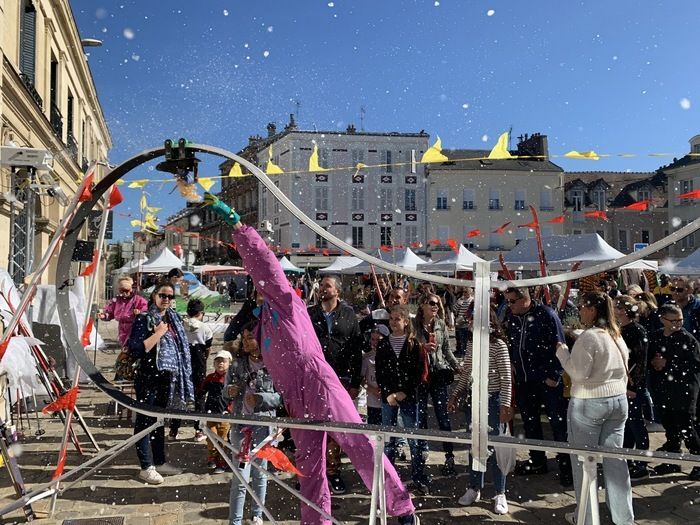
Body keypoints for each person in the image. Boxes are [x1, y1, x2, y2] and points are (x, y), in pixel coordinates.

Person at [203, 193, 418, 525]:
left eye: (261, 287)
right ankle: (317, 522)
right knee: (309, 466)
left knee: (356, 441)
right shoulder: (261, 324)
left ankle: (401, 508)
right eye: (255, 289)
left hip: (317, 380)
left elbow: (265, 264)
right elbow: (244, 347)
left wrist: (239, 228)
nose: (259, 289)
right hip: (294, 396)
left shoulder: (288, 303)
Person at [556, 291, 634, 525]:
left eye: (582, 307)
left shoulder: (590, 337)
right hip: (618, 401)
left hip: (590, 403)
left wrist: (563, 353)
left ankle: (588, 518)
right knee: (615, 462)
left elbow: (578, 373)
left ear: (592, 309)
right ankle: (623, 518)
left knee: (584, 463)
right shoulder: (616, 334)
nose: (579, 310)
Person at [502, 286, 572, 486]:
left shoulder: (546, 315)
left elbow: (561, 345)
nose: (509, 305)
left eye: (512, 301)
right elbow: (513, 343)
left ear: (525, 299)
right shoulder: (513, 317)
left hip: (546, 380)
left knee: (558, 424)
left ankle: (566, 466)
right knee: (530, 422)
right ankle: (537, 460)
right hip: (525, 380)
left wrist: (555, 374)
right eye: (507, 301)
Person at [448, 308, 513, 515]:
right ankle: (474, 486)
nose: (471, 324)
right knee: (474, 446)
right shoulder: (471, 343)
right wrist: (456, 394)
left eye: (475, 321)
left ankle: (500, 492)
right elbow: (467, 370)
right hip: (473, 399)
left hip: (493, 401)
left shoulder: (498, 345)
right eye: (470, 321)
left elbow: (506, 378)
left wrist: (505, 405)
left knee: (495, 447)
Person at [128, 281, 194, 484]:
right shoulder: (145, 319)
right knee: (145, 421)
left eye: (170, 296)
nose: (166, 300)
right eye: (163, 295)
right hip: (148, 377)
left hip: (167, 378)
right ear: (154, 296)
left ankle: (159, 461)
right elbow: (136, 349)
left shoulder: (173, 320)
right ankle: (146, 466)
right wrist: (158, 333)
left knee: (158, 421)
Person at [307, 275, 364, 495]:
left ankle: (333, 472)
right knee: (313, 428)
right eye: (321, 286)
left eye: (327, 286)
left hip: (340, 379)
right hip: (313, 379)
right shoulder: (311, 314)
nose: (322, 289)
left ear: (337, 291)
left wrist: (355, 382)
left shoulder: (349, 315)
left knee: (335, 430)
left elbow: (355, 350)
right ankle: (313, 474)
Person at [223, 322, 281, 525]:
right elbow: (225, 392)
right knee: (240, 477)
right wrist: (229, 391)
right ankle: (235, 521)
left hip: (264, 428)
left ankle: (257, 515)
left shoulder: (273, 364)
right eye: (244, 338)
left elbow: (281, 397)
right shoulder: (237, 364)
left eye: (250, 337)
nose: (246, 342)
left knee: (260, 473)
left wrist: (261, 398)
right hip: (240, 427)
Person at [376, 304, 429, 493]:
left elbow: (418, 373)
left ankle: (418, 476)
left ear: (406, 321)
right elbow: (380, 372)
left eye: (397, 319)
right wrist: (389, 392)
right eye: (391, 318)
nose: (393, 322)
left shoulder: (414, 344)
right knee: (388, 439)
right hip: (388, 397)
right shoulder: (383, 344)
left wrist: (404, 391)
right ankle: (389, 477)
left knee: (414, 439)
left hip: (409, 397)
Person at [648, 303, 700, 479]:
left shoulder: (688, 340)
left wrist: (667, 363)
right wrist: (655, 364)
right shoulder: (655, 337)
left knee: (688, 429)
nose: (678, 324)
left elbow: (694, 365)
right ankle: (673, 460)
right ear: (663, 320)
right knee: (670, 428)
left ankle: (697, 462)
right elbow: (649, 358)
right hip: (664, 389)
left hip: (684, 390)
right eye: (674, 320)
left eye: (680, 320)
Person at [413, 293, 461, 477]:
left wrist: (458, 367)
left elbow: (447, 350)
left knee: (443, 418)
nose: (435, 306)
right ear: (422, 305)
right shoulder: (414, 324)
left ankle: (449, 457)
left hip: (439, 374)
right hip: (421, 376)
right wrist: (421, 347)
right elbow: (408, 347)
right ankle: (422, 455)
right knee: (422, 417)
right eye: (432, 303)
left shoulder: (440, 324)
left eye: (438, 304)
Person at [613, 295, 650, 479]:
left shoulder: (637, 330)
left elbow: (640, 361)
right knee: (626, 424)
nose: (614, 311)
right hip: (621, 384)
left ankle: (641, 464)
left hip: (633, 386)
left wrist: (633, 386)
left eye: (617, 307)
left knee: (636, 424)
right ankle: (627, 460)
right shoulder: (619, 329)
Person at [99, 275, 148, 380]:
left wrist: (139, 312)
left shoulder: (138, 299)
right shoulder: (116, 300)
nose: (124, 293)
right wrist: (104, 316)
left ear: (131, 288)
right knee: (126, 352)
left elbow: (146, 311)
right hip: (122, 329)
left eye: (126, 290)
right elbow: (110, 312)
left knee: (128, 352)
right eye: (121, 290)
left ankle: (121, 376)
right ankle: (124, 375)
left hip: (135, 328)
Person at [185, 299, 214, 442]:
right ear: (201, 313)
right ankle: (199, 430)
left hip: (184, 363)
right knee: (200, 396)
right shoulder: (206, 328)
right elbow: (207, 347)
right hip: (199, 362)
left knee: (181, 396)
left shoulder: (182, 325)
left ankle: (173, 428)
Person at [201, 349, 233, 473]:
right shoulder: (210, 378)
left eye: (223, 361)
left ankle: (222, 461)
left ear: (229, 363)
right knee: (210, 436)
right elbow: (201, 391)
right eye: (218, 361)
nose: (221, 364)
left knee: (222, 438)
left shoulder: (230, 379)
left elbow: (235, 396)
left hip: (225, 414)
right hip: (211, 412)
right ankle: (212, 456)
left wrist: (230, 409)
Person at [362, 325, 388, 425]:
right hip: (372, 403)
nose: (375, 342)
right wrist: (372, 389)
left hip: (388, 402)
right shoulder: (367, 357)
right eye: (373, 339)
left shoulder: (391, 357)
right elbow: (362, 380)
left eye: (378, 339)